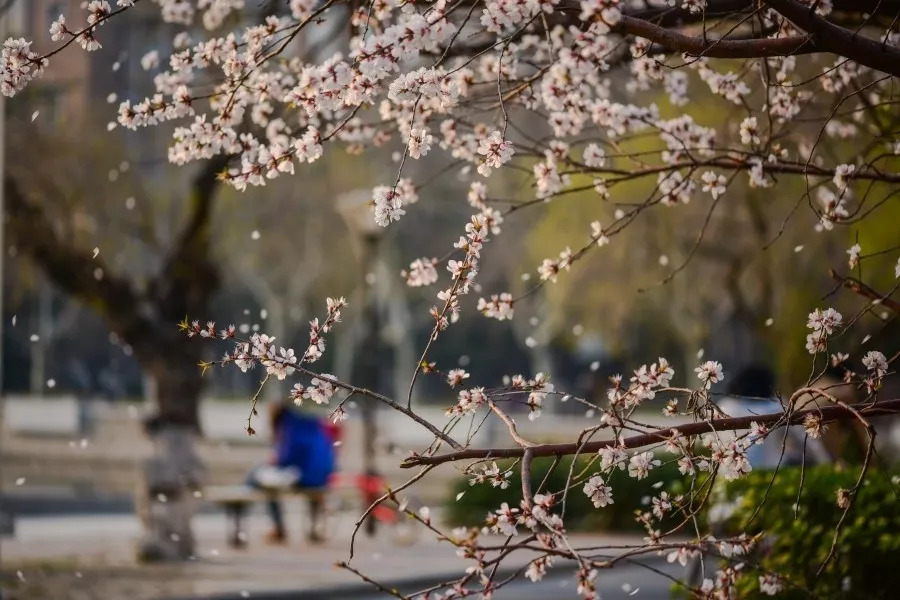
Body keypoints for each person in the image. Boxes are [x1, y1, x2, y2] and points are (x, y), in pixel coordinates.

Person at [246, 402, 336, 544]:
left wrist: (276, 461)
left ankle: (278, 528)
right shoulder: (311, 424)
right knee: (272, 480)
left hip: (306, 476)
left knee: (263, 481)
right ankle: (312, 529)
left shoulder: (291, 427)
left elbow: (288, 458)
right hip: (323, 476)